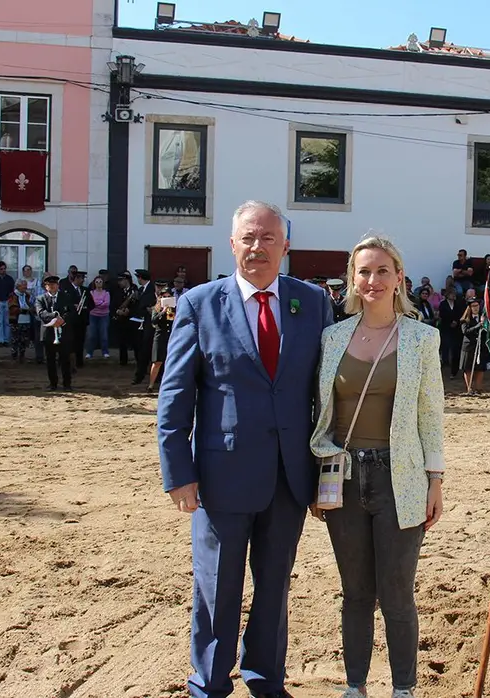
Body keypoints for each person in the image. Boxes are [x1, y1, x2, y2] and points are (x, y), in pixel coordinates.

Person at [157, 201, 334, 698]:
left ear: (286, 246)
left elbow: (324, 393)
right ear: (232, 244)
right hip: (220, 477)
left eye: (268, 238)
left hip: (289, 476)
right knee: (218, 587)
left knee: (275, 585)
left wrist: (324, 473)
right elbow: (175, 396)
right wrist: (178, 472)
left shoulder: (312, 303)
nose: (258, 247)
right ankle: (209, 684)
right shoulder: (199, 303)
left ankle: (265, 679)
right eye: (248, 238)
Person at [309, 236, 445, 698]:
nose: (373, 280)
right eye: (364, 272)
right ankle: (355, 687)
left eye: (382, 271)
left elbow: (431, 415)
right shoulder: (331, 337)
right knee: (355, 593)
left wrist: (435, 480)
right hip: (342, 478)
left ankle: (404, 688)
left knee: (397, 592)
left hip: (399, 478)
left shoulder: (423, 338)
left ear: (398, 278)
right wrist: (317, 472)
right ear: (353, 279)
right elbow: (319, 412)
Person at [36, 274, 75, 391]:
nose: (52, 287)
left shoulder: (66, 296)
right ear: (46, 286)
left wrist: (62, 320)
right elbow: (41, 313)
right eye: (49, 285)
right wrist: (54, 317)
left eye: (54, 284)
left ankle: (67, 384)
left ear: (58, 285)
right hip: (48, 333)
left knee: (65, 360)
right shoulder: (40, 298)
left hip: (63, 331)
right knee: (50, 360)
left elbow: (71, 312)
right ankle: (53, 383)